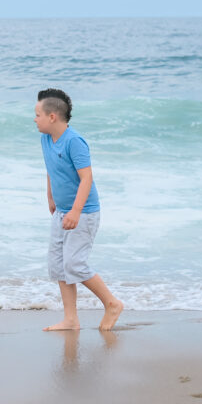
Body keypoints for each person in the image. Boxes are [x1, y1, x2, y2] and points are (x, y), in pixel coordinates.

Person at [34, 88, 123, 331]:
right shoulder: (45, 138)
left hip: (83, 213)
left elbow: (86, 178)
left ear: (52, 116)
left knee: (74, 264)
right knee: (58, 266)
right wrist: (50, 196)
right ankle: (71, 319)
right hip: (61, 211)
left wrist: (75, 211)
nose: (35, 119)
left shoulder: (75, 142)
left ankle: (112, 303)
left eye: (38, 114)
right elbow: (51, 169)